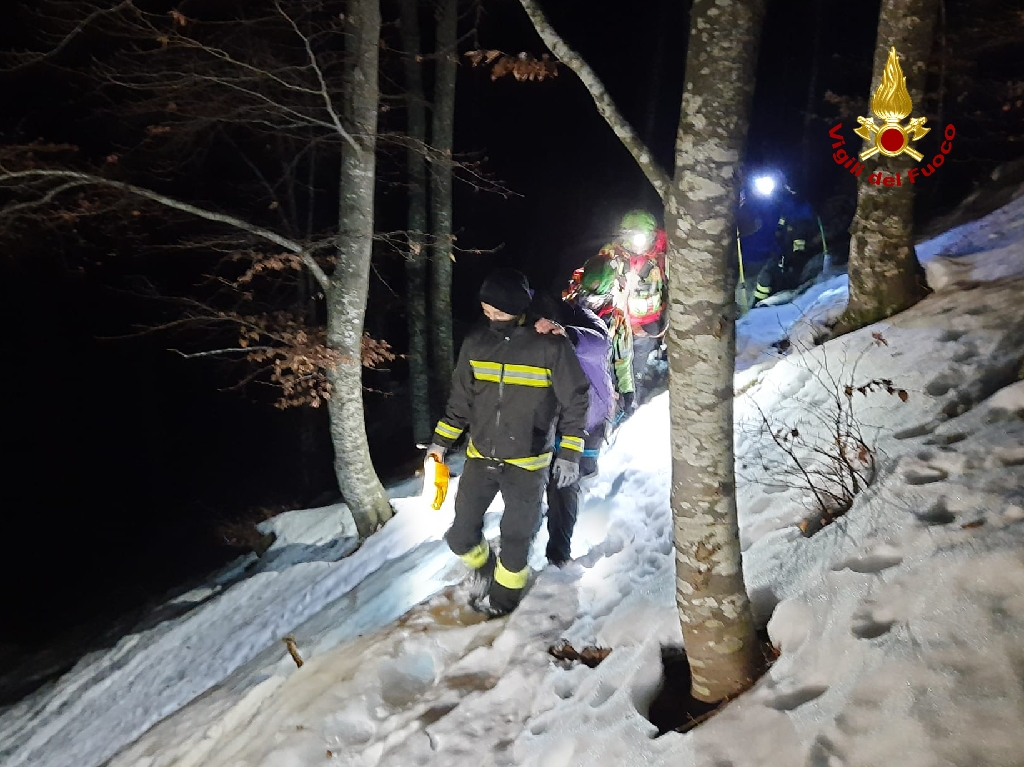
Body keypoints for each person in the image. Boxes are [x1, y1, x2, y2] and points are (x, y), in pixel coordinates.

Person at [426, 268, 591, 617]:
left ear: (518, 309)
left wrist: (570, 453)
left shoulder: (549, 345)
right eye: (486, 310)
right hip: (480, 457)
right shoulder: (476, 343)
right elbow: (460, 402)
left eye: (499, 312)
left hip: (527, 464)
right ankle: (485, 571)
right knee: (460, 536)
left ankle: (504, 603)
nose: (491, 317)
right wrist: (439, 445)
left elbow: (576, 399)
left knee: (516, 540)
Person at [530, 294, 616, 567]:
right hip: (553, 422)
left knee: (565, 485)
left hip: (588, 423)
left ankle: (559, 555)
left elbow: (599, 343)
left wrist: (567, 334)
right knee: (553, 484)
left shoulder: (583, 325)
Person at [596, 210, 669, 398]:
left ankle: (632, 403)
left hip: (648, 323)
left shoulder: (662, 253)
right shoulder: (610, 253)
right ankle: (611, 400)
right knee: (614, 368)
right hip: (619, 324)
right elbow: (596, 285)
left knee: (637, 367)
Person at [736, 173, 822, 307]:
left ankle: (756, 307)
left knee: (764, 280)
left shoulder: (792, 203)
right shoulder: (755, 203)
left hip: (775, 253)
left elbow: (800, 222)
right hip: (748, 255)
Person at [568, 255, 636, 419]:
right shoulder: (568, 307)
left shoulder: (616, 320)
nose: (590, 303)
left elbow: (622, 360)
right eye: (585, 295)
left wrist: (627, 391)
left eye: (595, 298)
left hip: (598, 382)